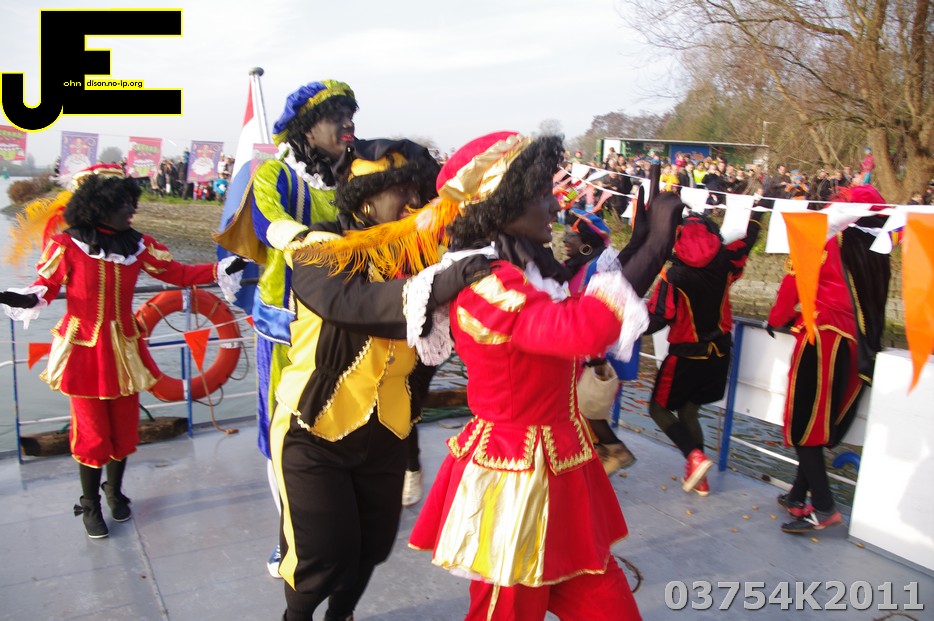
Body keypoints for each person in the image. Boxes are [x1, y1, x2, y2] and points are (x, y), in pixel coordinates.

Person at [408, 131, 683, 620]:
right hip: (511, 484)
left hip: (563, 472)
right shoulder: (485, 288)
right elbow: (580, 329)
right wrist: (656, 248)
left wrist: (641, 242)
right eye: (540, 193)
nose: (554, 205)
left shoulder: (527, 273)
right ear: (501, 203)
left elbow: (580, 302)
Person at [269, 140, 486, 621]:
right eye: (401, 189)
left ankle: (340, 616)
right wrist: (449, 280)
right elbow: (354, 305)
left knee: (372, 546)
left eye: (419, 189)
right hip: (314, 431)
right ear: (365, 200)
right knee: (322, 556)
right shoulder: (319, 249)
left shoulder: (422, 257)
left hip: (388, 431)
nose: (415, 199)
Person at [0, 164, 243, 539]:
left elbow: (177, 274)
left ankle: (114, 491)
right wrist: (20, 297)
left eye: (132, 203)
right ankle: (90, 504)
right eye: (124, 204)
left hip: (126, 348)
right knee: (92, 432)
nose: (132, 210)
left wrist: (221, 268)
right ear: (101, 207)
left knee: (124, 428)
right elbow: (45, 287)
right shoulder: (67, 245)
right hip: (84, 351)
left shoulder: (138, 245)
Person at [214, 80, 359, 578]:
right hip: (287, 329)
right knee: (285, 435)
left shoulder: (352, 173)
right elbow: (268, 224)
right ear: (306, 127)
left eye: (350, 115)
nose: (348, 125)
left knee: (338, 429)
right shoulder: (274, 173)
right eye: (336, 116)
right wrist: (324, 238)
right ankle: (288, 539)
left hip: (344, 323)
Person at [766, 185, 890, 534]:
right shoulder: (873, 249)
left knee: (804, 426)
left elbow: (793, 283)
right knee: (819, 425)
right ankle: (797, 496)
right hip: (854, 345)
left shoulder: (823, 238)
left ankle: (824, 507)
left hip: (822, 338)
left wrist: (776, 319)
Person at [644, 206, 763, 496]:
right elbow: (748, 240)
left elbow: (658, 318)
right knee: (689, 410)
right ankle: (700, 477)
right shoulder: (725, 263)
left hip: (686, 354)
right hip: (719, 353)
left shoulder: (674, 276)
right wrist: (757, 211)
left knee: (658, 409)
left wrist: (623, 323)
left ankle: (694, 457)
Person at [562, 208, 637, 475]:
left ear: (586, 242)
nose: (564, 240)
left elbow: (603, 313)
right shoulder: (575, 266)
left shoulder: (599, 268)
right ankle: (595, 464)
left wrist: (593, 354)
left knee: (588, 408)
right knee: (582, 410)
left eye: (570, 236)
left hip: (596, 353)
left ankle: (612, 453)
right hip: (578, 350)